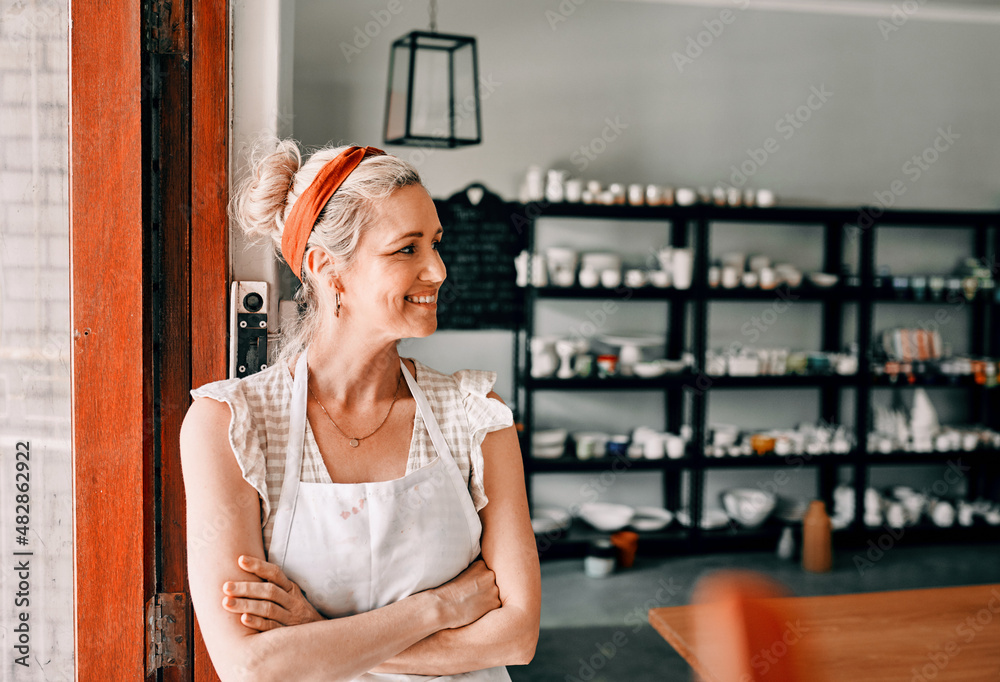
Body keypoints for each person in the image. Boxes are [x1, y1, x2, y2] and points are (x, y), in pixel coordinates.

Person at [179, 142, 540, 681]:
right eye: (406, 250)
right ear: (330, 270)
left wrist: (311, 629)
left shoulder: (475, 416)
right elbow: (250, 667)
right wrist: (438, 608)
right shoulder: (233, 425)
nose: (438, 270)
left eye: (436, 244)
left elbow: (517, 636)